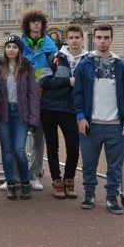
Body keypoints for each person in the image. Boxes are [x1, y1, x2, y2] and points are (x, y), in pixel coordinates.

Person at [73, 23, 124, 215]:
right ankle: (89, 193)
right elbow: (78, 94)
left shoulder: (121, 66)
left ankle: (111, 196)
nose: (102, 41)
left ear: (112, 39)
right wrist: (81, 117)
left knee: (115, 165)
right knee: (89, 162)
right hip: (92, 124)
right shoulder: (84, 65)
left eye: (106, 37)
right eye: (99, 37)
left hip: (115, 125)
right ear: (94, 39)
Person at [39, 24, 88, 199]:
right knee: (52, 147)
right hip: (50, 107)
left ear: (82, 38)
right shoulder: (55, 57)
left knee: (73, 148)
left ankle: (69, 179)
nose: (74, 41)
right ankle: (56, 180)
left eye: (77, 37)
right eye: (71, 38)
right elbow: (44, 81)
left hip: (72, 109)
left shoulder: (88, 60)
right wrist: (68, 81)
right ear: (66, 39)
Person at [0, 36, 40, 200]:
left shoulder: (26, 67)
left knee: (19, 150)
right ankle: (11, 183)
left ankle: (25, 182)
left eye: (14, 47)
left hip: (20, 112)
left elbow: (33, 94)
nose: (11, 49)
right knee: (6, 150)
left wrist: (34, 118)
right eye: (8, 46)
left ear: (19, 49)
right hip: (3, 112)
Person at [17, 9, 58, 191]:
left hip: (42, 97)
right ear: (27, 24)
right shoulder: (18, 44)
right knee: (16, 139)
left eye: (38, 21)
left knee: (38, 139)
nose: (35, 24)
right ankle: (17, 175)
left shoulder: (51, 46)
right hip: (22, 97)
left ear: (42, 24)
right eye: (32, 21)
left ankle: (34, 174)